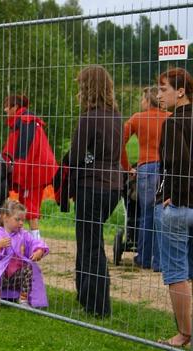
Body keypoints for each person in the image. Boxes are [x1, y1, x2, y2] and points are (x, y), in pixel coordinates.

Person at [65, 65, 123, 317]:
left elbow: (76, 156)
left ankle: (98, 305)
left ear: (88, 88)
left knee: (90, 244)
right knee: (92, 240)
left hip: (92, 185)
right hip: (114, 186)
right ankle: (85, 295)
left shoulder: (89, 118)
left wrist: (73, 171)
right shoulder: (116, 116)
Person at [153, 67, 193, 348]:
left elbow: (178, 164)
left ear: (180, 92)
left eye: (163, 89)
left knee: (176, 271)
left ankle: (184, 333)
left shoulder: (174, 122)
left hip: (181, 207)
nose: (159, 95)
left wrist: (173, 197)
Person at [121, 87, 171, 271]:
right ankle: (160, 262)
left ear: (148, 100)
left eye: (143, 99)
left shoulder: (137, 118)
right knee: (163, 214)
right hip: (167, 169)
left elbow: (119, 143)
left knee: (146, 214)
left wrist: (128, 167)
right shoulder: (171, 117)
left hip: (146, 168)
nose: (141, 102)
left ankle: (144, 258)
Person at [0, 200, 49, 308]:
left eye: (23, 220)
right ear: (5, 218)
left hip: (16, 276)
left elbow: (34, 242)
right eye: (17, 219)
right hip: (0, 276)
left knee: (29, 267)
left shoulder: (23, 235)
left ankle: (23, 299)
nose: (21, 223)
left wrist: (39, 250)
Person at [1, 94, 58, 240]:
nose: (5, 109)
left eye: (7, 106)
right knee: (26, 204)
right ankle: (27, 239)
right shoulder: (24, 122)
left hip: (34, 172)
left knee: (30, 206)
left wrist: (19, 175)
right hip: (36, 169)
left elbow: (24, 151)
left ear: (15, 107)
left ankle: (36, 242)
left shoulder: (26, 122)